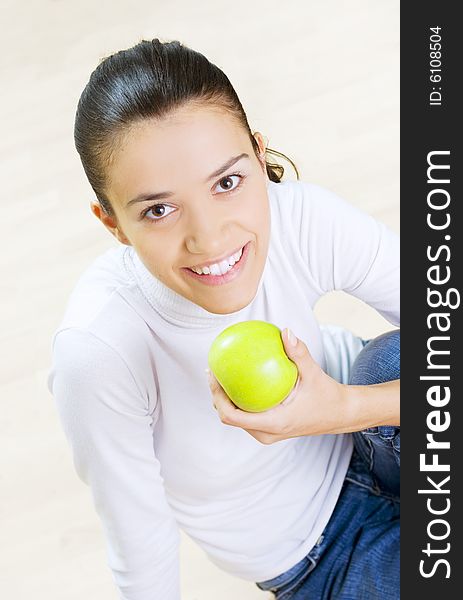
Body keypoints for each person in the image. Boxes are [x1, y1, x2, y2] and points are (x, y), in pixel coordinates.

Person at [48, 38, 400, 599]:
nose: (210, 238)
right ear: (112, 222)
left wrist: (348, 408)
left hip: (384, 435)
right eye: (159, 210)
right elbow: (142, 545)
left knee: (396, 359)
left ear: (259, 157)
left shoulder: (302, 218)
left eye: (227, 182)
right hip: (320, 556)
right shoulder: (100, 350)